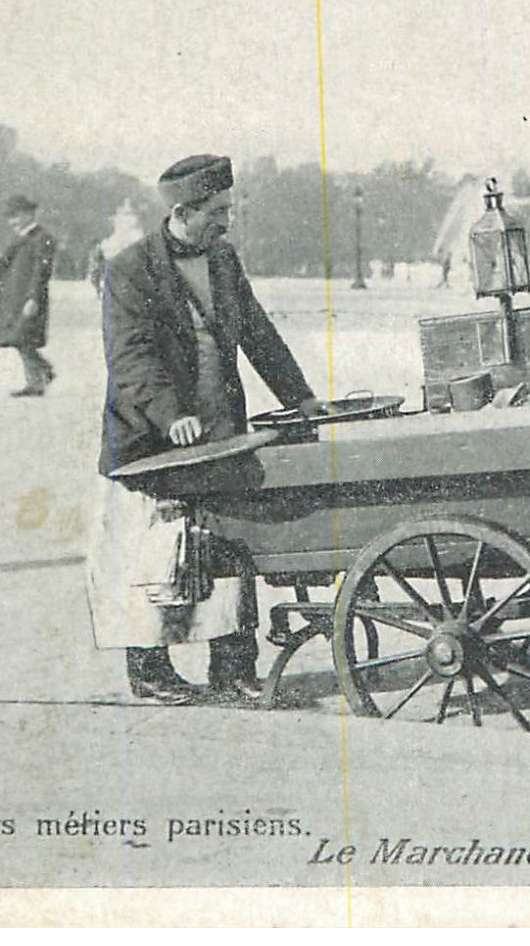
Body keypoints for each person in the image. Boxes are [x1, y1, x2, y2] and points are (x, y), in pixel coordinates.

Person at [90, 154, 324, 705]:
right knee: (159, 553)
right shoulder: (129, 269)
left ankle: (233, 669)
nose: (228, 220)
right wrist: (173, 417)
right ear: (183, 210)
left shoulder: (222, 259)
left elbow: (260, 336)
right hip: (152, 438)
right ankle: (149, 672)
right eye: (218, 211)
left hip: (221, 427)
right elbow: (131, 358)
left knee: (230, 544)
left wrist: (303, 398)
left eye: (229, 207)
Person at [0, 195, 57, 396]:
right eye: (10, 218)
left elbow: (42, 272)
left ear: (29, 214)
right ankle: (43, 373)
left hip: (28, 297)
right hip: (12, 298)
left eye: (16, 217)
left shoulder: (42, 238)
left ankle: (37, 381)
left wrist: (34, 297)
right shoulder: (17, 239)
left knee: (23, 338)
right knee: (19, 338)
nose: (12, 222)